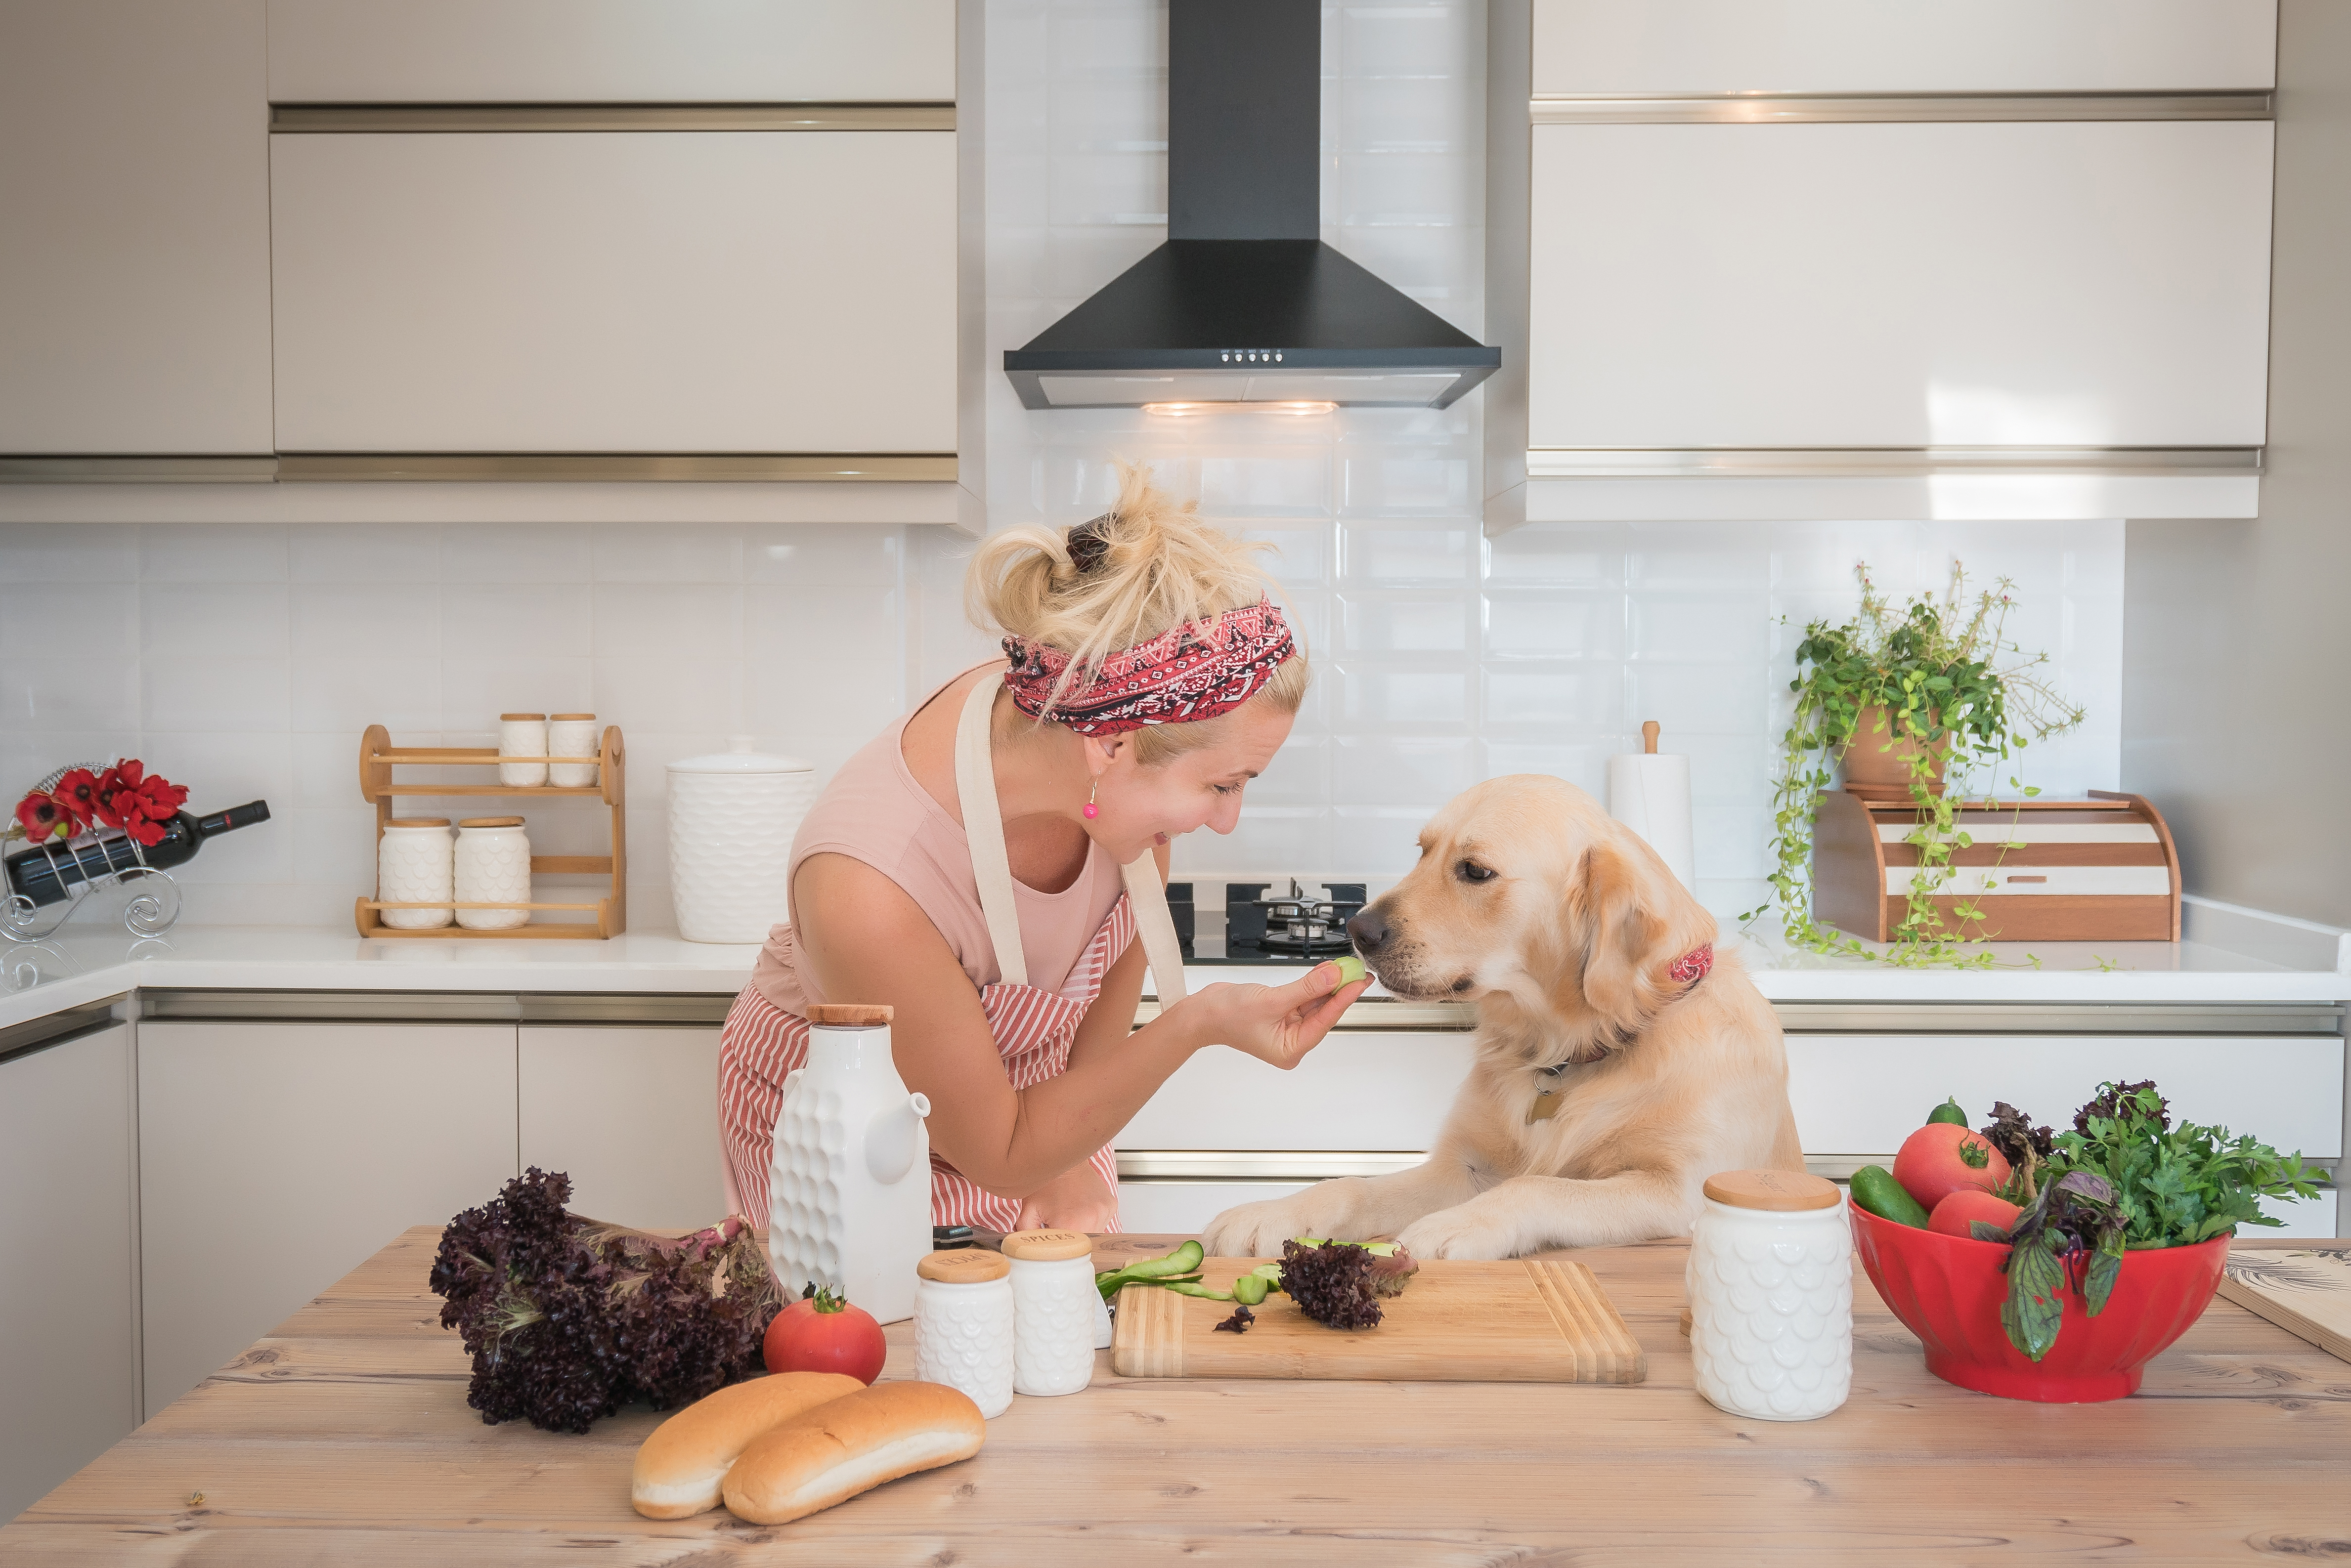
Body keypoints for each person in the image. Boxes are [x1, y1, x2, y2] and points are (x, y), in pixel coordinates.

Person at [718, 466, 1372, 1234]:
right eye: (1224, 784)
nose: (1227, 820)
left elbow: (1080, 1076)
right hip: (848, 1149)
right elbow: (1000, 1148)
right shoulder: (869, 887)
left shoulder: (1100, 757)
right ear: (1113, 746)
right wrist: (1200, 1022)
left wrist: (1069, 1164)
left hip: (1031, 1125)